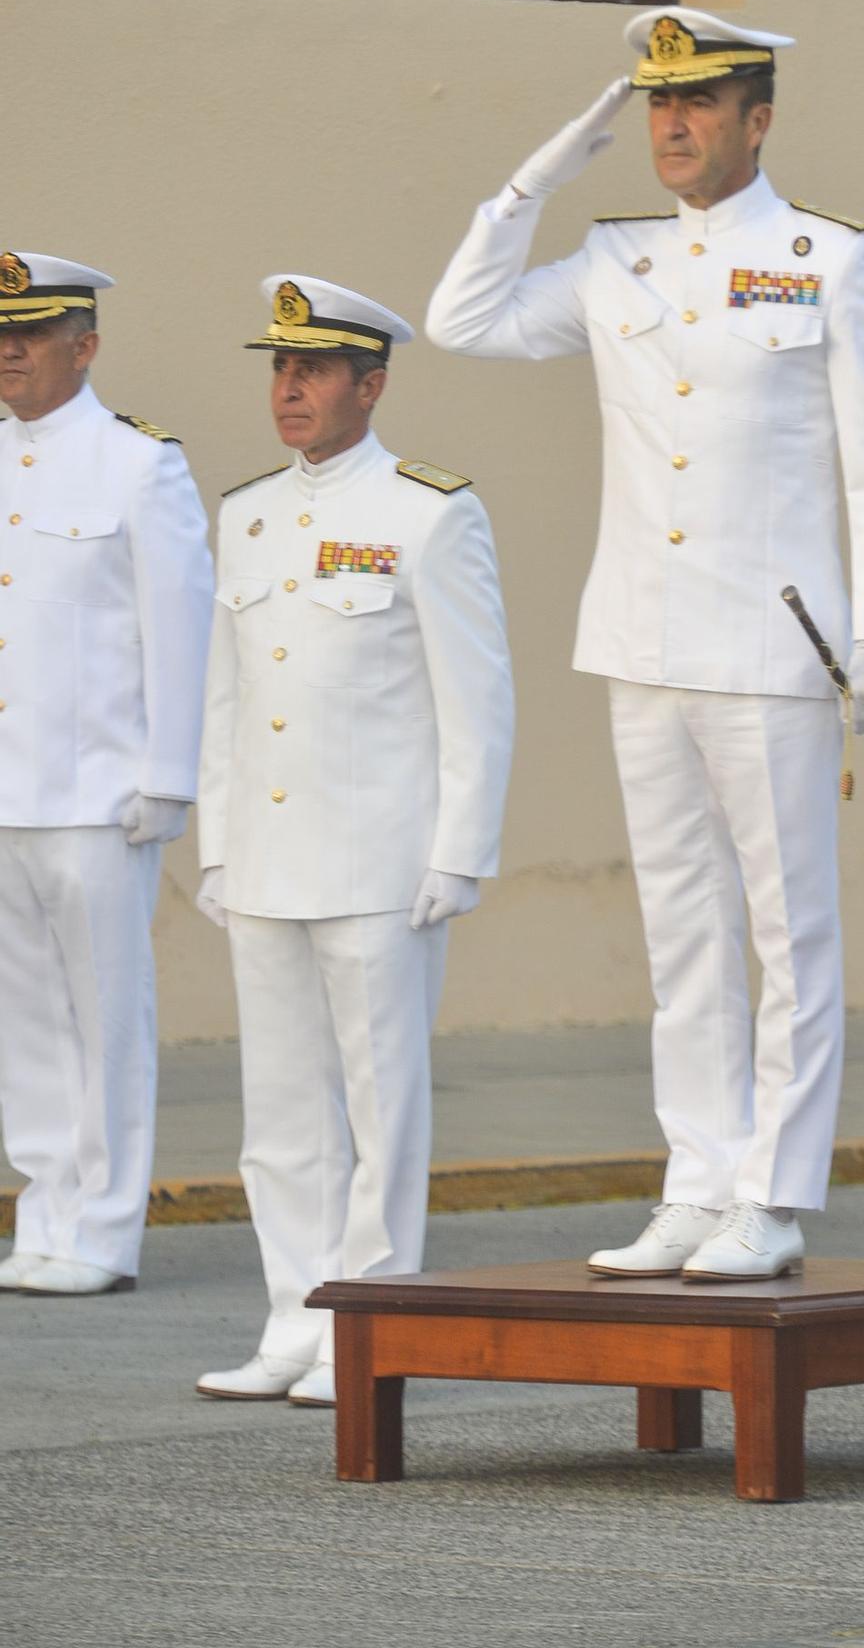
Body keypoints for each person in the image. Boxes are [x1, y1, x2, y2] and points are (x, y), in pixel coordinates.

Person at [426, 8, 864, 1280]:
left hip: (774, 644)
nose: (672, 126)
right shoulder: (616, 260)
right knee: (682, 931)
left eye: (698, 104)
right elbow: (461, 320)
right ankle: (696, 1181)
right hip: (642, 638)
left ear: (758, 119)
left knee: (787, 929)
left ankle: (773, 1193)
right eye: (656, 106)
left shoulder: (827, 259)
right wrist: (550, 163)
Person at [193, 275, 514, 1406]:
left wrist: (459, 849)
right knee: (280, 1110)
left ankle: (368, 1324)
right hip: (269, 855)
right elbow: (227, 694)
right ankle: (294, 1315)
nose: (290, 386)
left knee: (381, 1104)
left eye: (315, 369)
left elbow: (477, 696)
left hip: (380, 858)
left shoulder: (428, 511)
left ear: (370, 385)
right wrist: (219, 843)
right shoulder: (245, 512)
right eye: (281, 367)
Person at [0, 250, 212, 1297]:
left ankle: (105, 1227)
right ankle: (43, 1211)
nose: (9, 350)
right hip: (8, 789)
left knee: (105, 1013)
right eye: (3, 334)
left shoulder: (139, 465)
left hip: (96, 793)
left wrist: (169, 775)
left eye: (30, 334)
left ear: (83, 346)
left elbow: (180, 628)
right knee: (26, 1017)